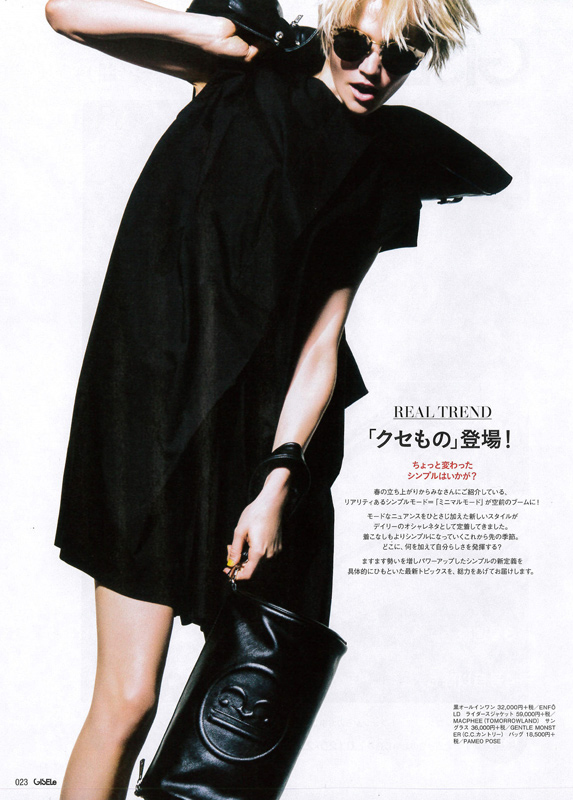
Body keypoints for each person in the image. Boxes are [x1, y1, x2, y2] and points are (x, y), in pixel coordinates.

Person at [44, 0, 491, 797]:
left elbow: (324, 340)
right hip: (155, 424)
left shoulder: (381, 161)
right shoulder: (234, 75)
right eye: (354, 44)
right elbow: (67, 14)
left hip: (263, 445)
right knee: (128, 702)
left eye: (400, 55)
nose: (372, 69)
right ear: (329, 27)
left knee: (236, 738)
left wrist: (278, 481)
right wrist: (220, 36)